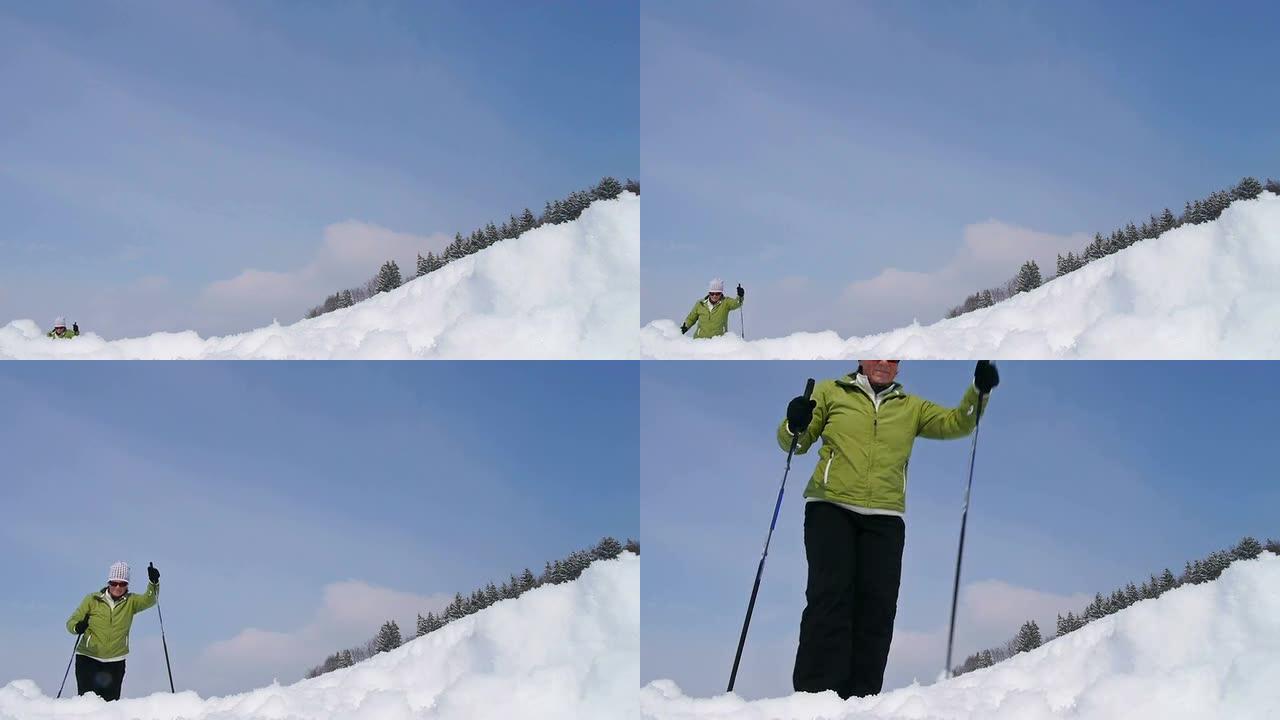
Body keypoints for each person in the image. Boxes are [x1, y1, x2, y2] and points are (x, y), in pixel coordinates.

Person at [779, 359, 999, 699]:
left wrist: (979, 391)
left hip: (885, 516)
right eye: (878, 354)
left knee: (878, 607)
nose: (884, 362)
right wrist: (794, 423)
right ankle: (815, 698)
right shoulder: (830, 391)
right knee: (831, 595)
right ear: (862, 358)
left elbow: (958, 423)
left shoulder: (911, 407)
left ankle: (862, 700)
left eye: (893, 358)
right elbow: (797, 441)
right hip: (830, 507)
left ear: (899, 366)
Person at [65, 562, 160, 701]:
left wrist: (153, 583)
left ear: (127, 585)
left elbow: (150, 599)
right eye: (114, 583)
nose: (118, 587)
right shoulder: (92, 600)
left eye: (122, 584)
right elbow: (71, 622)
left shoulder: (131, 601)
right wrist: (77, 627)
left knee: (110, 706)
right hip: (88, 658)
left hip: (115, 661)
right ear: (109, 582)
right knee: (87, 703)